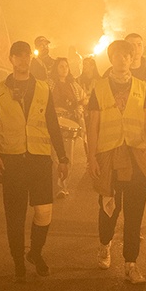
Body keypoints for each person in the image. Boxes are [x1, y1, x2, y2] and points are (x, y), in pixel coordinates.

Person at [0, 42, 70, 281]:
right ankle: (18, 263)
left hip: (39, 159)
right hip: (12, 160)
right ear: (11, 59)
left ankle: (35, 253)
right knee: (14, 216)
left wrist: (63, 156)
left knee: (44, 212)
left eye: (26, 56)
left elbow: (53, 124)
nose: (23, 60)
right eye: (18, 56)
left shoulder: (43, 88)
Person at [86, 39, 146, 284]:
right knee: (109, 208)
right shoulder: (98, 87)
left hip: (136, 156)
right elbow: (93, 125)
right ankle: (105, 243)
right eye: (117, 55)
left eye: (126, 55)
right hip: (109, 156)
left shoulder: (143, 87)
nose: (122, 59)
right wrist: (91, 158)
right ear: (111, 58)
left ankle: (131, 263)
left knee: (135, 212)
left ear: (132, 58)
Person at [50, 58, 85, 199]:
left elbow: (82, 100)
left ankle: (64, 186)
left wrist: (79, 109)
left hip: (70, 123)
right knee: (55, 157)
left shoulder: (75, 86)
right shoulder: (49, 84)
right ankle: (57, 186)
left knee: (68, 156)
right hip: (54, 123)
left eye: (66, 66)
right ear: (56, 69)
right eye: (61, 66)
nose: (64, 69)